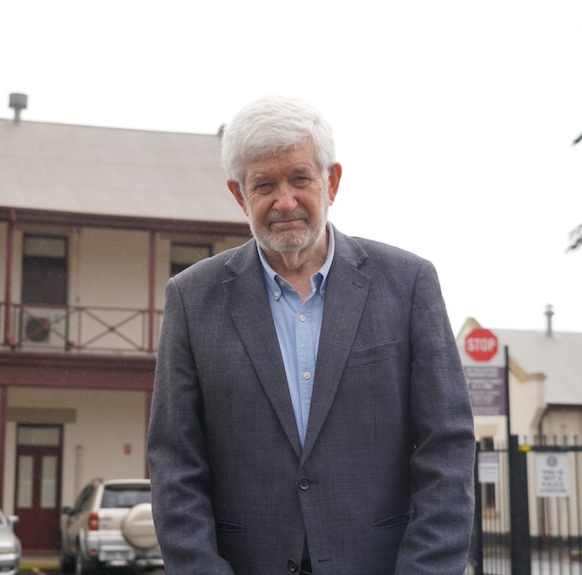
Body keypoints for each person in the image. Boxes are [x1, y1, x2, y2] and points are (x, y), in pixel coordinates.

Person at [146, 95, 475, 575]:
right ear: (240, 195)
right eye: (264, 185)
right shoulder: (191, 299)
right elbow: (175, 462)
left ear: (331, 182)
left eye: (300, 178)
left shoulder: (408, 283)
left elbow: (447, 445)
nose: (285, 202)